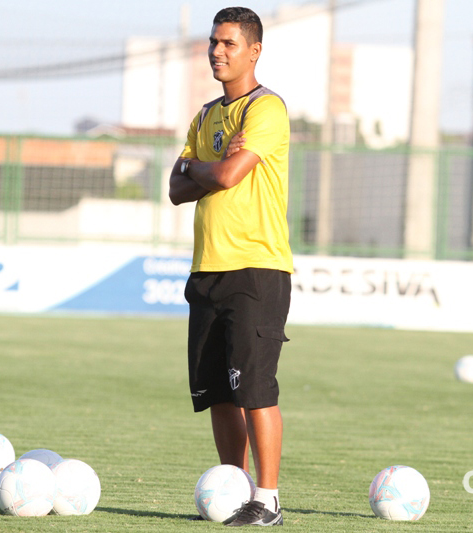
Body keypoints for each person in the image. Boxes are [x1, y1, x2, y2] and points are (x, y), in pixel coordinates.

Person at [169, 6, 292, 527]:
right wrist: (202, 167)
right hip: (207, 270)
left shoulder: (266, 109)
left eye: (229, 44)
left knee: (255, 390)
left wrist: (200, 168)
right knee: (217, 392)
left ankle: (267, 499)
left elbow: (226, 176)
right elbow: (177, 189)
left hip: (256, 270)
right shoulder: (204, 116)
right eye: (214, 42)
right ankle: (231, 491)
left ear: (254, 50)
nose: (217, 51)